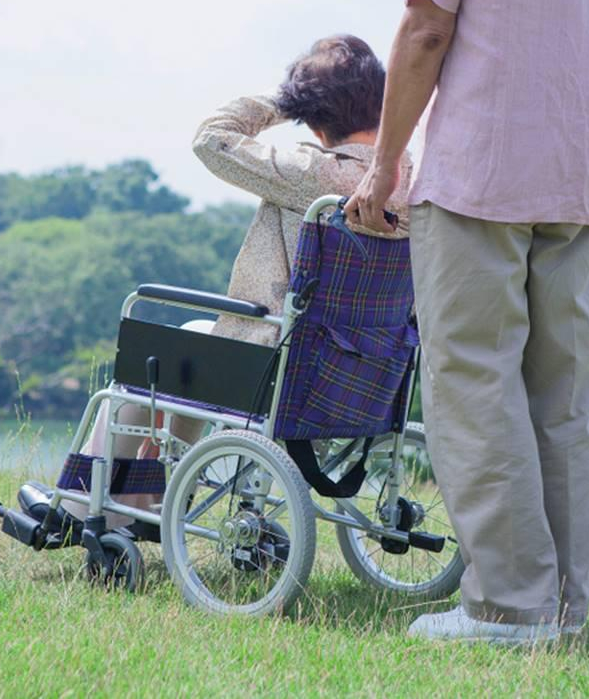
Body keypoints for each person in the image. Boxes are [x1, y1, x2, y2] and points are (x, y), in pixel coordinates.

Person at [346, 0, 589, 645]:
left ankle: (510, 608)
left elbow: (424, 29)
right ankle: (561, 609)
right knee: (561, 400)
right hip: (580, 180)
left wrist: (382, 167)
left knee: (476, 385)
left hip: (482, 173)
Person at [61, 35, 412, 528]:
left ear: (311, 114)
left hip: (281, 363)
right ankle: (155, 497)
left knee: (151, 361)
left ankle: (84, 507)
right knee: (198, 338)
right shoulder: (416, 181)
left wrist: (282, 100)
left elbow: (212, 138)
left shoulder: (313, 172)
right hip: (367, 371)